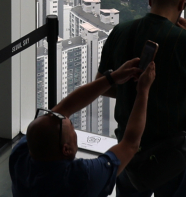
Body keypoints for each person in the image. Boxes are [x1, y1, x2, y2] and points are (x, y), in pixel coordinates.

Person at [97, 0, 186, 197]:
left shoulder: (120, 31)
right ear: (183, 3)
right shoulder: (183, 41)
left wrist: (132, 90)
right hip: (170, 153)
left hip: (128, 146)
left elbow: (103, 84)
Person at [9, 57, 156, 197]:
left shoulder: (20, 157)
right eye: (72, 128)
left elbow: (63, 108)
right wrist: (143, 90)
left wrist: (112, 78)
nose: (66, 116)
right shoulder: (82, 177)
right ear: (66, 149)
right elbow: (130, 144)